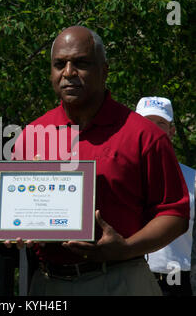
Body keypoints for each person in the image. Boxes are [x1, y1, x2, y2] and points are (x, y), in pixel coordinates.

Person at [12, 26, 190, 296]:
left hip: (120, 279)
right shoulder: (31, 135)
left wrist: (127, 247)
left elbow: (175, 215)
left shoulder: (144, 135)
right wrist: (16, 229)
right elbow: (16, 213)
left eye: (81, 63)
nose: (69, 73)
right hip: (48, 283)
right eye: (59, 64)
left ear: (104, 71)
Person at [135, 97, 196, 296]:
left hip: (177, 280)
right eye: (146, 122)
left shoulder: (193, 179)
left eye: (160, 123)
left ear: (172, 131)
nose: (152, 130)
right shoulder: (121, 175)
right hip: (130, 277)